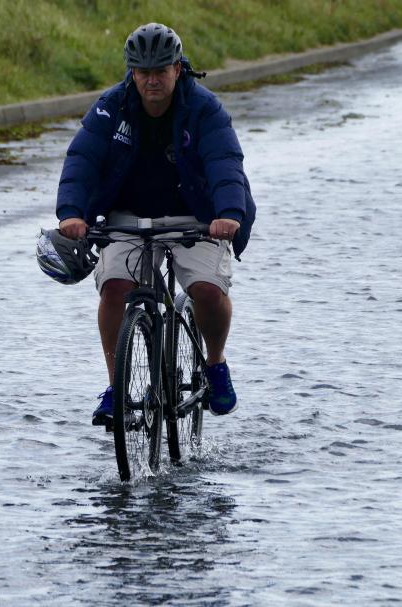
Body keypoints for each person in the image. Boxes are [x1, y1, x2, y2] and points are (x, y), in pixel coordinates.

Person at [53, 22, 256, 425]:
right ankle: (117, 390)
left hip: (196, 218)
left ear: (178, 69)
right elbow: (83, 160)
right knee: (113, 290)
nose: (151, 80)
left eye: (160, 71)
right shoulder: (111, 107)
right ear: (131, 72)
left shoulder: (204, 109)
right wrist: (71, 213)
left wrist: (228, 215)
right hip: (127, 219)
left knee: (206, 292)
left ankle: (214, 364)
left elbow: (224, 163)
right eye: (143, 72)